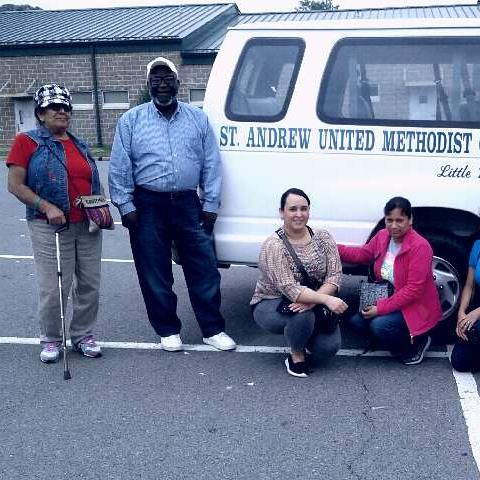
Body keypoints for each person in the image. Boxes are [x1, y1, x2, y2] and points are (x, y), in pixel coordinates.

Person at [109, 57, 236, 352]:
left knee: (203, 268)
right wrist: (125, 205)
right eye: (156, 79)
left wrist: (211, 202)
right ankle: (168, 330)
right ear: (149, 84)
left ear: (178, 84)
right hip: (147, 204)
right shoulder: (131, 120)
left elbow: (211, 163)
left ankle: (212, 329)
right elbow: (119, 166)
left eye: (168, 79)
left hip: (189, 203)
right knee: (154, 269)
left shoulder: (197, 118)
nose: (162, 84)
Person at [6, 84, 103, 363]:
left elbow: (90, 182)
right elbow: (15, 185)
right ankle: (51, 338)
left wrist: (99, 208)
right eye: (54, 107)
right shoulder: (27, 142)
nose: (62, 112)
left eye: (66, 107)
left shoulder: (79, 143)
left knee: (89, 284)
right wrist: (46, 206)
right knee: (54, 286)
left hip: (86, 225)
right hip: (49, 226)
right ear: (40, 113)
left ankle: (83, 335)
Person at [250, 188, 348, 378]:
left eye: (304, 209)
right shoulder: (273, 245)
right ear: (281, 212)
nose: (299, 214)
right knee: (302, 316)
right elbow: (290, 289)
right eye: (292, 209)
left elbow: (335, 276)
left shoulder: (324, 237)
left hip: (313, 298)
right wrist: (326, 300)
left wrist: (316, 299)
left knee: (328, 348)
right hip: (272, 301)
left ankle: (304, 333)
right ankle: (296, 354)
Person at [338, 196, 441, 365]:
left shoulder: (420, 247)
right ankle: (391, 334)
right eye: (389, 220)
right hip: (390, 298)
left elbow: (413, 291)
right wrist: (334, 248)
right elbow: (364, 254)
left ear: (410, 219)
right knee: (357, 322)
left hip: (415, 305)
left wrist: (380, 309)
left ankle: (417, 343)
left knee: (379, 326)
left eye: (399, 220)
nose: (393, 226)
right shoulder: (382, 236)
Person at [450, 240, 480, 372]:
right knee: (460, 362)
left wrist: (477, 313)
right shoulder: (478, 245)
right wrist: (461, 314)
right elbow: (469, 286)